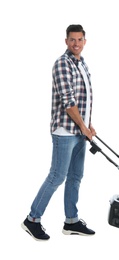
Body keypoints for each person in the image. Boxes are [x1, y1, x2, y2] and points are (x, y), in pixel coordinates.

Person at [21, 24, 96, 241]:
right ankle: (32, 220)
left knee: (75, 176)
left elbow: (85, 100)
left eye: (80, 39)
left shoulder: (82, 64)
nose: (76, 44)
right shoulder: (63, 64)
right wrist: (83, 127)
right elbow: (68, 102)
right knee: (57, 176)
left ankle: (71, 221)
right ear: (66, 41)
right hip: (65, 131)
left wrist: (89, 125)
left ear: (85, 41)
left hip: (80, 131)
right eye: (72, 40)